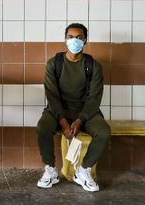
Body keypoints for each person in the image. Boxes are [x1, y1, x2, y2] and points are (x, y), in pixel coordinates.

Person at [35, 23, 110, 192]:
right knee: (43, 128)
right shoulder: (54, 64)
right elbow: (52, 96)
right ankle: (50, 170)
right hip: (57, 110)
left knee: (104, 132)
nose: (74, 40)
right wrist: (63, 122)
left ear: (85, 41)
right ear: (65, 39)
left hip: (85, 112)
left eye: (79, 37)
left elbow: (94, 99)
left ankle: (83, 171)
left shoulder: (94, 66)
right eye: (70, 37)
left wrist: (79, 120)